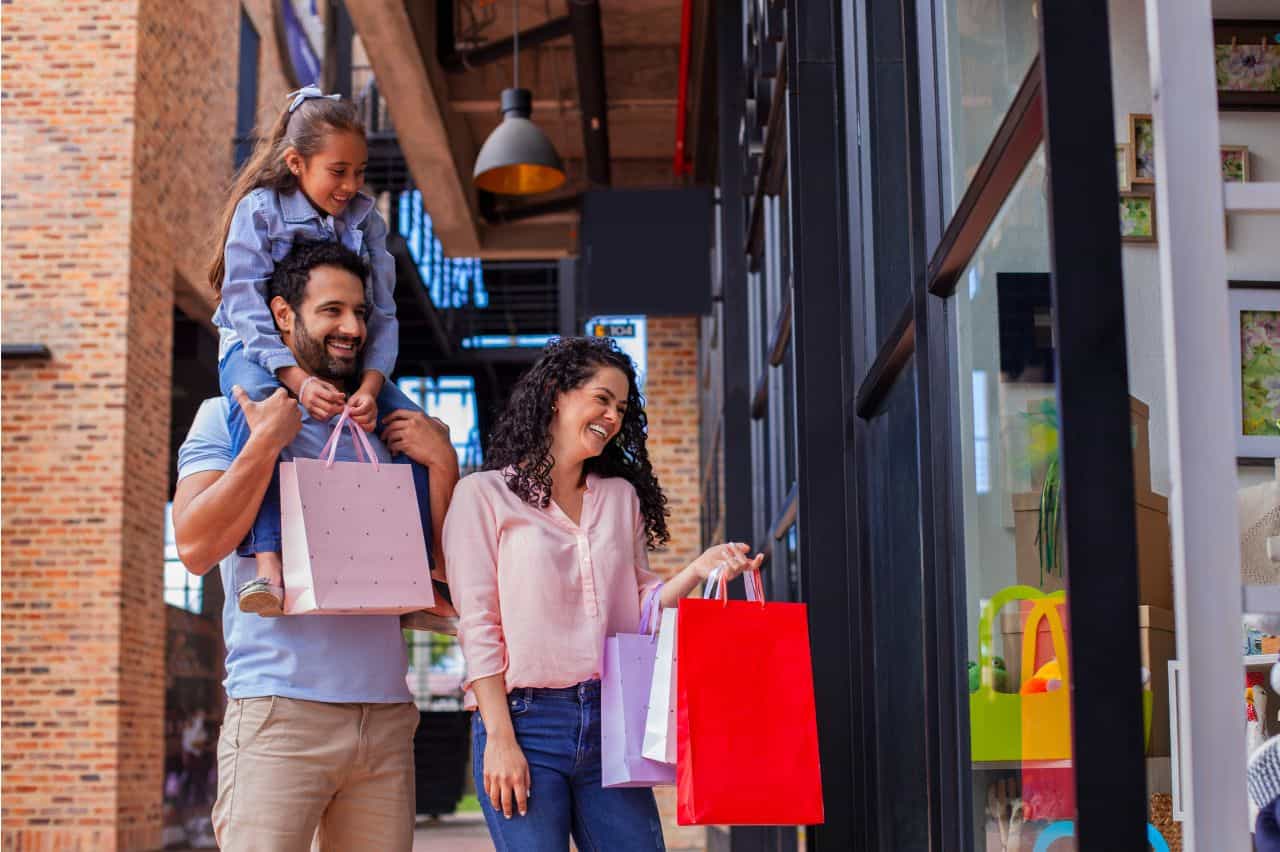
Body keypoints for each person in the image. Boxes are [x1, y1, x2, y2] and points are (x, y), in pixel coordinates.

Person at [173, 241, 460, 851]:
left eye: (360, 312)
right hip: (278, 717)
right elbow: (195, 546)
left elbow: (447, 572)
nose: (352, 327)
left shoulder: (386, 426)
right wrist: (263, 444)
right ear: (283, 314)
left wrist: (443, 466)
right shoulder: (225, 414)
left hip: (384, 718)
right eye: (332, 311)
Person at [443, 336, 763, 851]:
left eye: (621, 406)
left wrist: (698, 569)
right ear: (555, 393)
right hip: (525, 722)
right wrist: (499, 738)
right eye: (601, 398)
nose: (612, 416)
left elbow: (639, 607)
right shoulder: (482, 495)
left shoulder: (619, 499)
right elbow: (478, 624)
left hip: (611, 721)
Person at [208, 84, 425, 617]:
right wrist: (296, 380)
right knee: (259, 416)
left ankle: (425, 570)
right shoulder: (259, 211)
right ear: (295, 162)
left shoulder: (366, 221)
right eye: (338, 171)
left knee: (419, 432)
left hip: (339, 355)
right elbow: (243, 301)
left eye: (359, 170)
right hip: (256, 345)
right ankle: (266, 562)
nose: (352, 184)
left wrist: (372, 386)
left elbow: (382, 313)